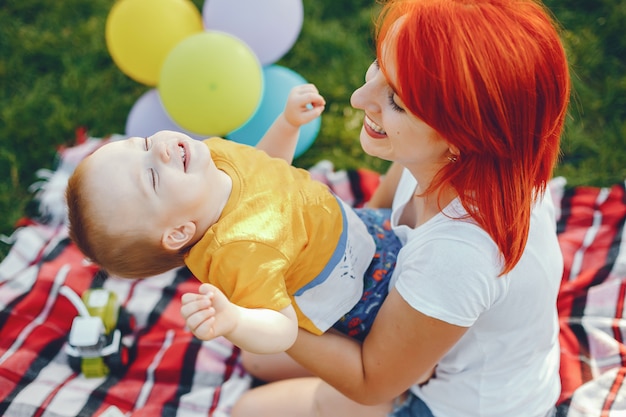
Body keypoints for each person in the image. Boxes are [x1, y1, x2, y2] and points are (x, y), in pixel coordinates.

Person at [211, 0, 570, 416]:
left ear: (460, 136)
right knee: (254, 356)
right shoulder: (443, 160)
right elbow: (373, 226)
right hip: (418, 340)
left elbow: (370, 381)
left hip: (454, 400)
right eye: (378, 66)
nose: (359, 97)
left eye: (396, 100)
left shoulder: (459, 254)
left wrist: (265, 302)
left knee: (249, 410)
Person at [66, 84, 399, 355]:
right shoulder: (236, 255)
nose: (160, 150)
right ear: (180, 232)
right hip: (363, 291)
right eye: (152, 177)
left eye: (143, 144)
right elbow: (282, 330)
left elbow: (264, 167)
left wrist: (287, 124)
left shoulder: (209, 157)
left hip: (358, 231)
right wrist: (235, 320)